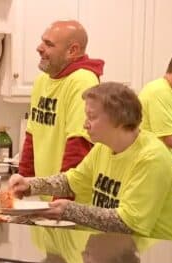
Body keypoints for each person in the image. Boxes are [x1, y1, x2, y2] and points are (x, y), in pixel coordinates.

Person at [9, 82, 172, 242]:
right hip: (125, 251)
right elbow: (72, 181)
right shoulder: (103, 147)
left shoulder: (152, 158)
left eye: (92, 117)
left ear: (119, 120)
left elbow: (127, 223)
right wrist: (30, 185)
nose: (84, 124)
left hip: (166, 254)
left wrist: (69, 210)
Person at [19, 20, 104, 201]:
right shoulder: (42, 81)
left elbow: (79, 144)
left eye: (48, 44)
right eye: (42, 41)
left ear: (72, 51)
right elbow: (32, 135)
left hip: (70, 201)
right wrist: (23, 183)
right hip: (48, 196)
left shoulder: (82, 80)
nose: (39, 48)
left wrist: (62, 202)